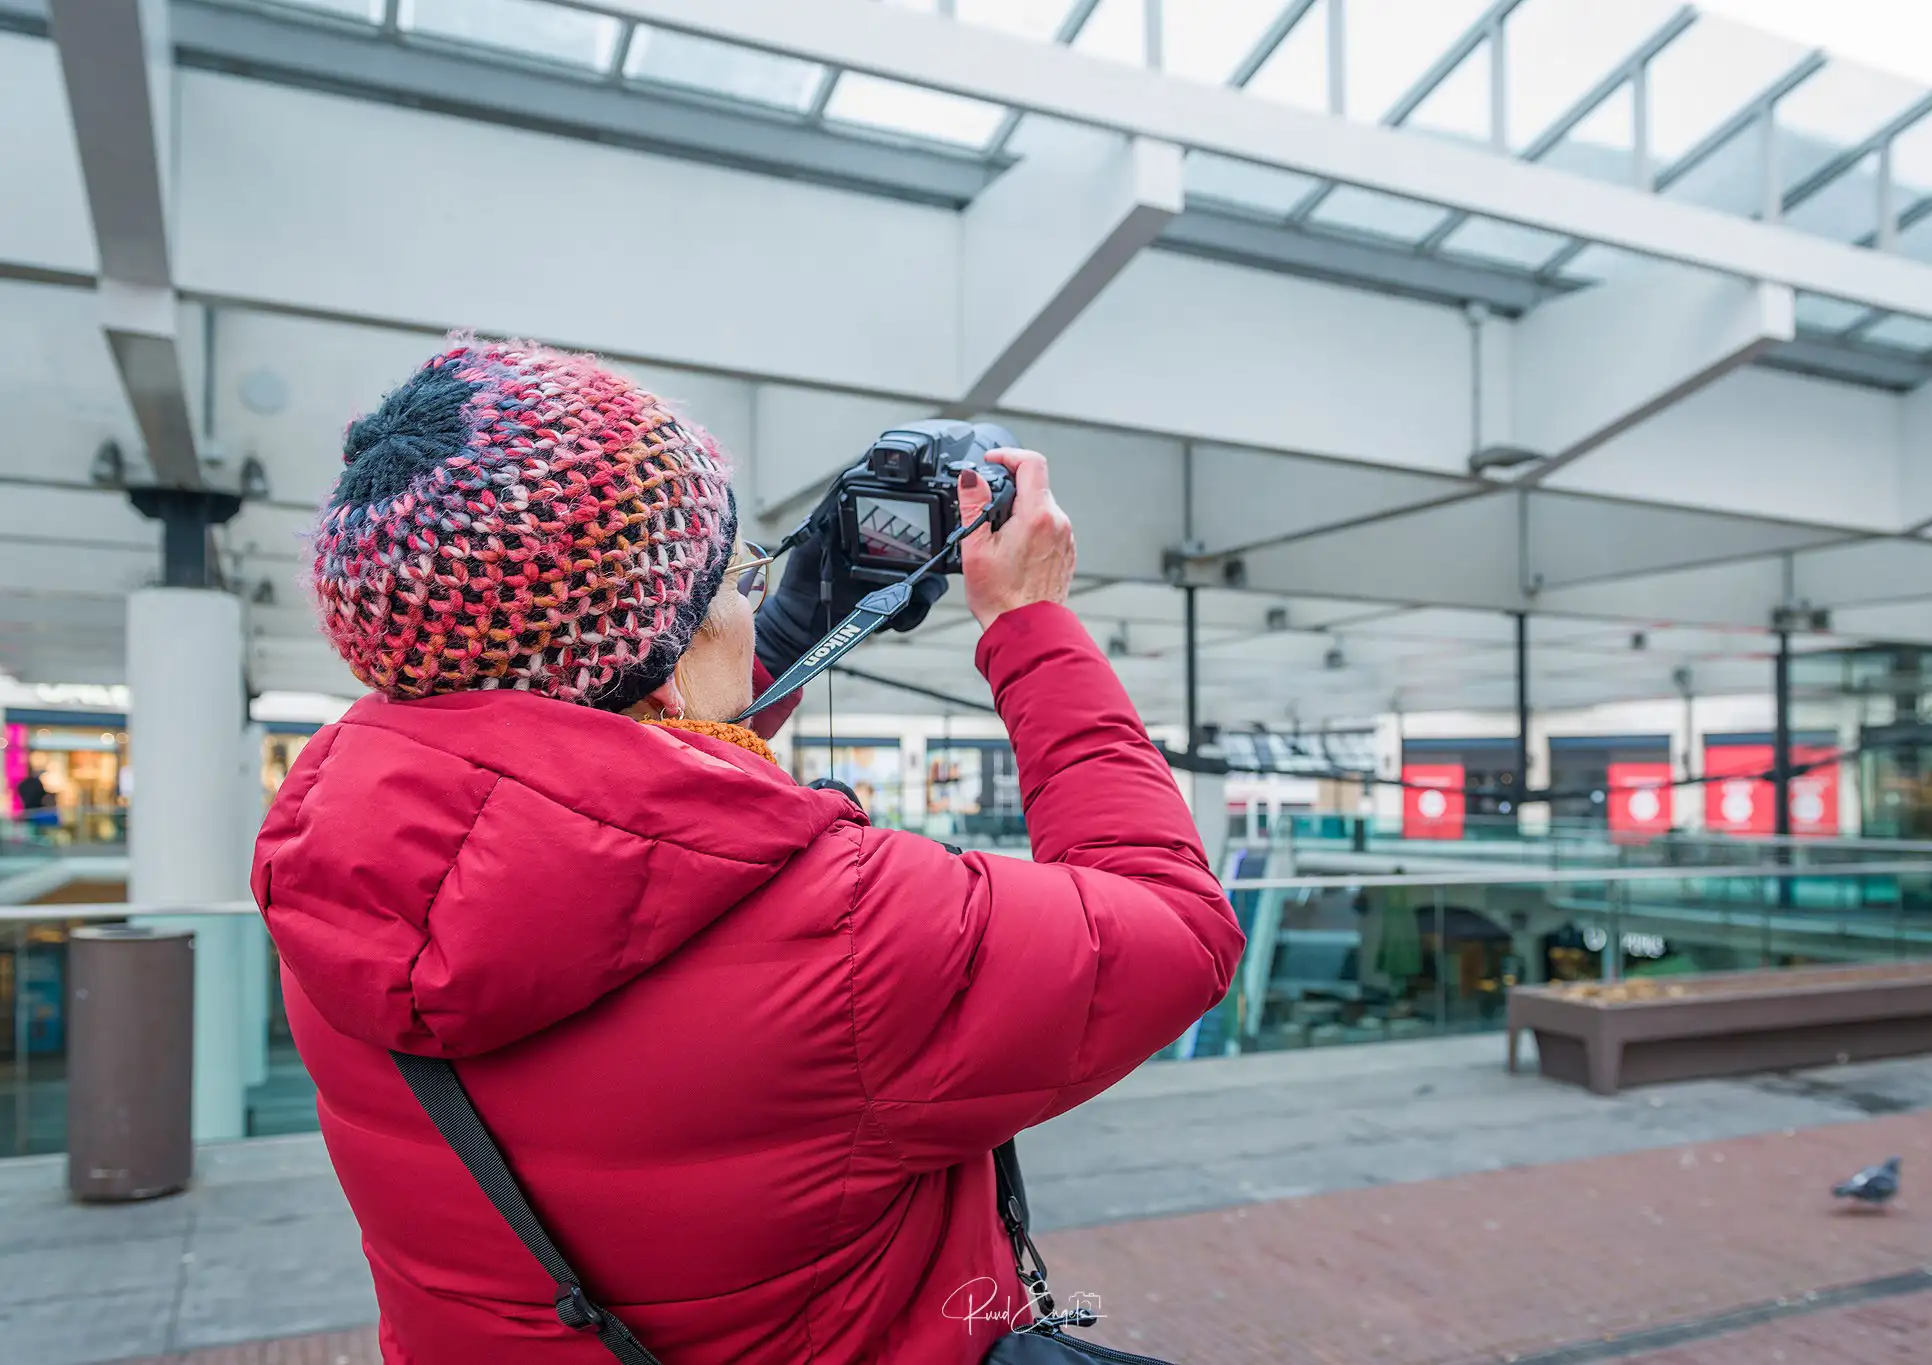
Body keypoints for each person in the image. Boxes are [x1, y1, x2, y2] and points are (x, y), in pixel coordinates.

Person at [254, 339, 1244, 1365]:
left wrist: (797, 613)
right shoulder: (847, 928)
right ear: (662, 668)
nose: (745, 597)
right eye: (729, 580)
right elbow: (1173, 926)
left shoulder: (333, 885)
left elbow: (588, 790)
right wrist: (1031, 625)